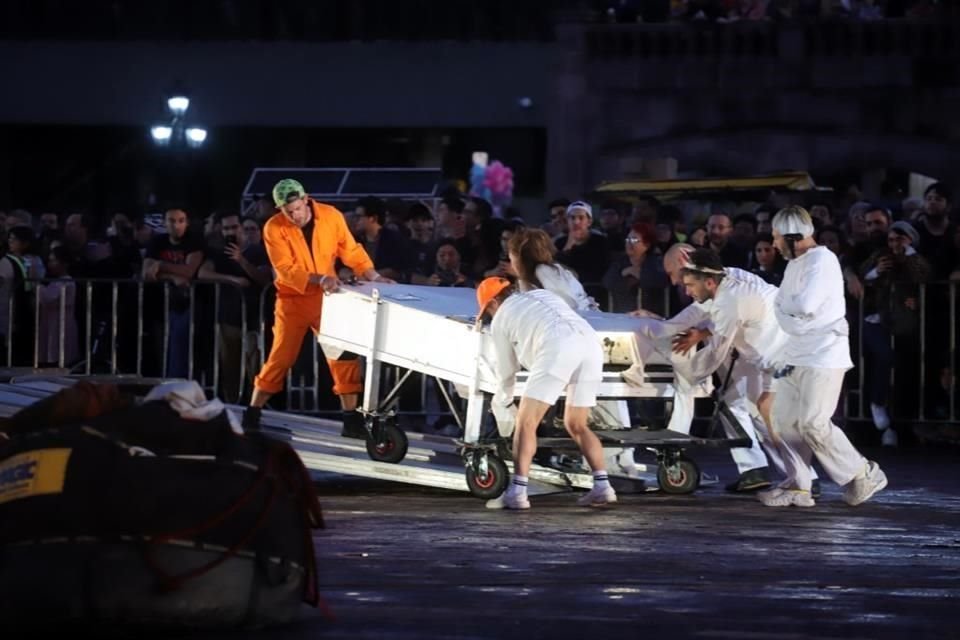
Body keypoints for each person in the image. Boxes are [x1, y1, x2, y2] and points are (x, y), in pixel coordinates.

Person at [242, 179, 393, 437]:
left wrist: (375, 277)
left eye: (296, 208)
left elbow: (351, 251)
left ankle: (351, 421)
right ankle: (252, 412)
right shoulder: (273, 228)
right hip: (292, 301)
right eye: (286, 211)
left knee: (343, 357)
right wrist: (319, 278)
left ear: (306, 199)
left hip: (328, 300)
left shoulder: (331, 216)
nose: (293, 215)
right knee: (281, 357)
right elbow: (285, 270)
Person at [762, 206, 887, 507]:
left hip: (824, 353)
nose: (775, 244)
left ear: (792, 236)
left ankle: (864, 473)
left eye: (777, 237)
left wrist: (788, 310)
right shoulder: (795, 264)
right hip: (797, 351)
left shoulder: (823, 259)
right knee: (784, 420)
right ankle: (798, 485)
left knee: (813, 422)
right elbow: (781, 308)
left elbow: (802, 305)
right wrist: (789, 312)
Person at [477, 277, 616, 510]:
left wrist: (503, 399)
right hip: (590, 344)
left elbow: (506, 370)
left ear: (491, 303)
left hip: (557, 345)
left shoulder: (501, 319)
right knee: (577, 424)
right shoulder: (542, 294)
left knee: (526, 422)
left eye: (487, 312)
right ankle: (603, 486)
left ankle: (518, 493)